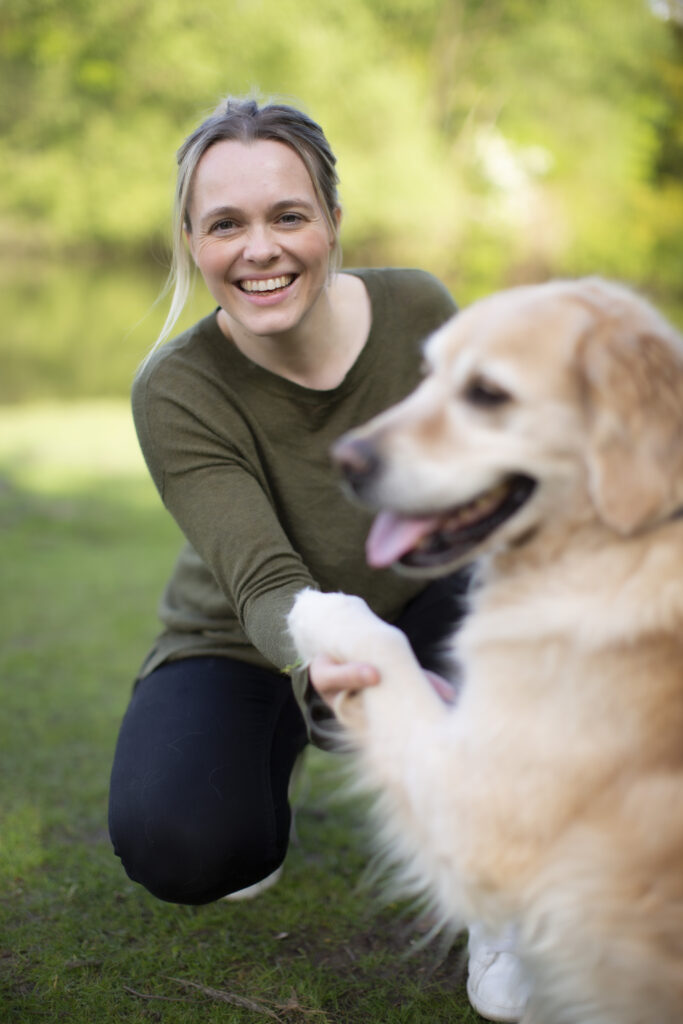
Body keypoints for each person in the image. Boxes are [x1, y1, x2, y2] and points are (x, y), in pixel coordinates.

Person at [107, 95, 529, 1023]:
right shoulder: (173, 389)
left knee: (523, 691)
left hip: (418, 591)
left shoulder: (416, 307)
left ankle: (505, 906)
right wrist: (345, 658)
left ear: (332, 221)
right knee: (187, 847)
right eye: (226, 224)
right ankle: (292, 738)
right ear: (191, 239)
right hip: (252, 630)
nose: (259, 249)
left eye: (287, 215)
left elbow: (477, 473)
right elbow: (261, 582)